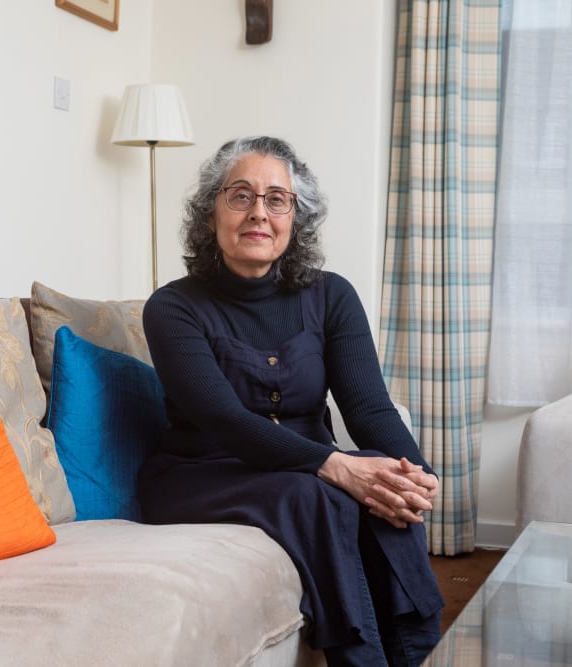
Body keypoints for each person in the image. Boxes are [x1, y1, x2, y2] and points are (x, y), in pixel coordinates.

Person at [137, 136, 444, 666]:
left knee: (380, 472)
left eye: (277, 199)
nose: (259, 212)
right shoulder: (172, 307)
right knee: (319, 494)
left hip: (303, 469)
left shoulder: (332, 295)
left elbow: (369, 408)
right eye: (240, 196)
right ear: (211, 213)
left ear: (295, 218)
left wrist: (412, 471)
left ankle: (418, 653)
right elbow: (224, 420)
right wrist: (335, 465)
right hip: (206, 471)